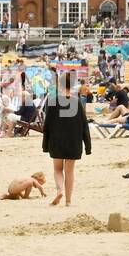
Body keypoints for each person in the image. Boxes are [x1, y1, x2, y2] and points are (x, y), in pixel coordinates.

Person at [41, 71, 91, 206]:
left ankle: (59, 191)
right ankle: (68, 201)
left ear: (59, 85)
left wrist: (45, 145)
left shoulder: (52, 102)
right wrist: (88, 147)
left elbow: (47, 125)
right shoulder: (77, 102)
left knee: (57, 169)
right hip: (73, 141)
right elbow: (84, 125)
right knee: (70, 171)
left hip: (56, 140)